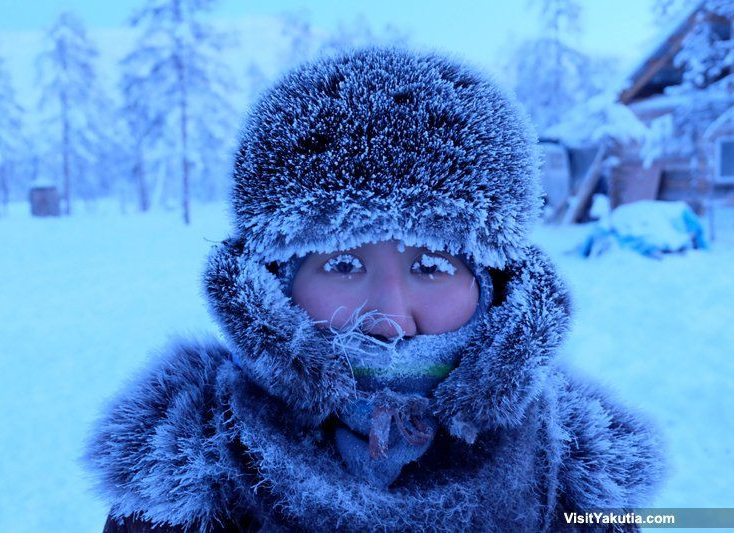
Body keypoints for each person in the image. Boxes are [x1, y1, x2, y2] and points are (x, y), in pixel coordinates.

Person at [85, 46, 663, 532]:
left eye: (432, 266)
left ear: (499, 286)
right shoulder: (190, 462)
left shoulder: (574, 469)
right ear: (271, 283)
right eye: (342, 264)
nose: (389, 319)